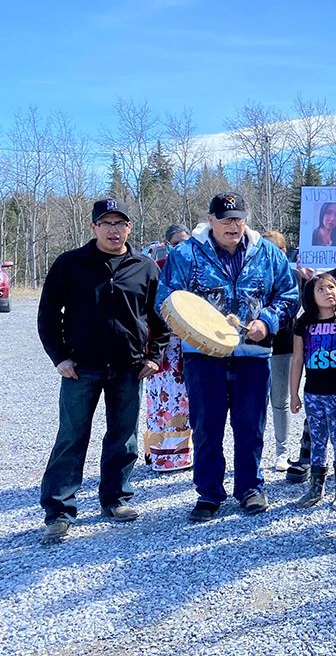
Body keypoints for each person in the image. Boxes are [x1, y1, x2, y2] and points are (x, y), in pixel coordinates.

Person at [156, 193, 299, 522]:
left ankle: (250, 487)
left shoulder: (268, 253)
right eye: (226, 219)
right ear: (211, 220)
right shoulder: (185, 253)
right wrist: (191, 326)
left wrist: (268, 320)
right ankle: (209, 493)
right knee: (207, 426)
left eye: (239, 218)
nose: (233, 225)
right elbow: (165, 300)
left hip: (253, 354)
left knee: (250, 425)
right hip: (203, 355)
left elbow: (289, 294)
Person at [37, 199, 168, 544]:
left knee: (123, 436)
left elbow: (161, 317)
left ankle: (116, 498)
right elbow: (49, 315)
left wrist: (153, 355)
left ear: (129, 228)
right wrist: (59, 357)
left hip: (128, 367)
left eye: (120, 223)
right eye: (106, 223)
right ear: (93, 227)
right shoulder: (70, 264)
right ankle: (59, 511)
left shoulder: (145, 266)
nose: (114, 230)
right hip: (82, 368)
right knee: (71, 437)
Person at [290, 273, 336, 508]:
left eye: (332, 287)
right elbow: (297, 359)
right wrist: (294, 393)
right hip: (313, 391)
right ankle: (316, 487)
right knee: (318, 438)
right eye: (320, 289)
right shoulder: (304, 323)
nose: (328, 292)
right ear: (310, 295)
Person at [144, 223, 193, 473]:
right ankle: (159, 454)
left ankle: (182, 455)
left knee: (184, 401)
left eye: (186, 242)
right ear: (167, 245)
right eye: (176, 243)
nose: (180, 248)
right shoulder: (158, 270)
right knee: (162, 399)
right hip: (164, 346)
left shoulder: (195, 270)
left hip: (188, 345)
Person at [262, 229, 296, 471]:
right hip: (254, 347)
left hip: (283, 347)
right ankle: (255, 452)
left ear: (283, 251)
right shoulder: (252, 275)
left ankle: (282, 451)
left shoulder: (294, 276)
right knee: (254, 403)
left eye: (273, 248)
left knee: (280, 401)